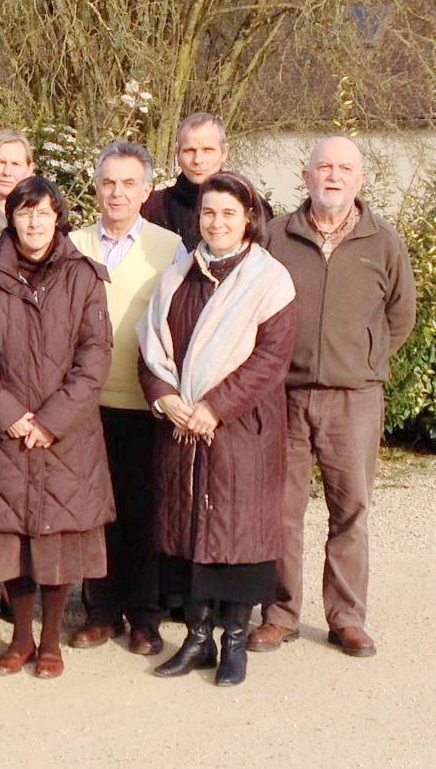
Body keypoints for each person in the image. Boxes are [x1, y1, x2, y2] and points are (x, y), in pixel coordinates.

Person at [249, 136, 416, 658]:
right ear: (306, 176)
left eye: (345, 168)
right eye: (324, 166)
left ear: (360, 180)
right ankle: (280, 613)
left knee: (351, 511)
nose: (334, 176)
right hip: (287, 396)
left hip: (354, 399)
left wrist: (364, 360)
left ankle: (346, 618)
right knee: (280, 509)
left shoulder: (383, 242)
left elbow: (400, 316)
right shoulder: (276, 237)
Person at [137, 171, 297, 686]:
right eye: (209, 212)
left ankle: (233, 643)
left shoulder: (270, 281)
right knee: (193, 536)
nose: (218, 222)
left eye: (229, 213)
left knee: (238, 538)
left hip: (242, 430)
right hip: (184, 428)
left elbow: (271, 358)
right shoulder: (178, 275)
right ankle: (197, 638)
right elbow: (150, 352)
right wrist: (165, 398)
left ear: (248, 218)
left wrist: (216, 406)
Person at [0, 176, 114, 680]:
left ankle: (50, 642)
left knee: (55, 543)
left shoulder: (84, 276)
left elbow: (95, 357)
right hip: (5, 433)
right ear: (10, 216)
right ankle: (20, 640)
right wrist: (9, 415)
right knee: (14, 541)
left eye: (42, 212)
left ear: (57, 217)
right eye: (23, 212)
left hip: (65, 435)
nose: (33, 222)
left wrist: (50, 420)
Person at [68, 142, 185, 656]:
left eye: (128, 183)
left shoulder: (170, 246)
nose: (117, 192)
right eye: (109, 182)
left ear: (147, 190)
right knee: (95, 512)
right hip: (83, 404)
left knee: (143, 510)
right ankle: (99, 611)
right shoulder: (71, 243)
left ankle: (143, 615)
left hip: (143, 401)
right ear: (96, 186)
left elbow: (180, 323)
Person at [142, 112, 271, 250]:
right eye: (189, 151)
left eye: (207, 150)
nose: (198, 160)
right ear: (177, 154)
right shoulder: (152, 207)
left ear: (225, 153)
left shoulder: (251, 206)